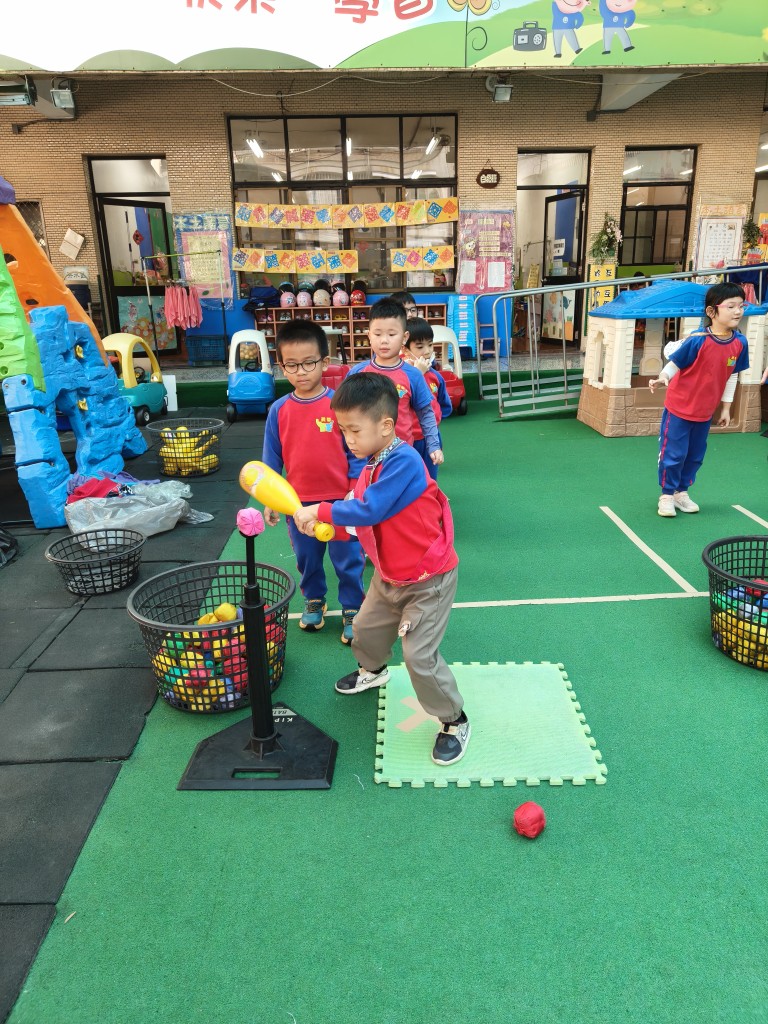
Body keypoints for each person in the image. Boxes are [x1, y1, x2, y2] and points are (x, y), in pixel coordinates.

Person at [293, 373, 470, 767]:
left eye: (354, 430)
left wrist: (320, 509)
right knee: (365, 629)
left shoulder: (404, 461)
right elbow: (359, 521)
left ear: (386, 425)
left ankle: (454, 719)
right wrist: (324, 525)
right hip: (389, 576)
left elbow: (370, 509)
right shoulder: (371, 465)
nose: (348, 439)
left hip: (428, 581)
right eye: (343, 430)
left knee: (419, 656)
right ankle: (372, 671)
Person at [262, 320, 366, 641]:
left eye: (309, 362)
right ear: (282, 367)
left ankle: (353, 607)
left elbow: (356, 451)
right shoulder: (278, 410)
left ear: (324, 361)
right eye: (292, 365)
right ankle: (314, 598)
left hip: (340, 504)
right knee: (307, 557)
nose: (301, 371)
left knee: (348, 558)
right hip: (298, 504)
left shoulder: (339, 405)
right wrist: (270, 499)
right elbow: (271, 459)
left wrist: (354, 490)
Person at [649, 282, 750, 518]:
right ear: (711, 311)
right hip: (679, 408)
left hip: (705, 412)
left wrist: (726, 408)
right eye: (731, 306)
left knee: (694, 455)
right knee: (674, 454)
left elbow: (732, 375)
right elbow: (675, 363)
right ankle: (667, 495)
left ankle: (681, 492)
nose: (737, 311)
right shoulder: (698, 340)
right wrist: (663, 377)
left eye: (741, 306)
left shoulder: (740, 343)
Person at [347, 297, 443, 468]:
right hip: (365, 457)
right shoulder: (357, 373)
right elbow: (345, 414)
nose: (384, 340)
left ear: (405, 337)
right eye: (377, 334)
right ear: (369, 336)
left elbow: (426, 413)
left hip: (402, 454)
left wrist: (434, 445)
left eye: (391, 334)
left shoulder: (413, 375)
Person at [401, 317, 452, 480]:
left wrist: (436, 419)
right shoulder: (401, 376)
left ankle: (432, 494)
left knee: (430, 475)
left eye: (430, 344)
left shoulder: (436, 376)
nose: (427, 351)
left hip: (431, 435)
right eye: (420, 346)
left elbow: (444, 404)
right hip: (407, 437)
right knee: (411, 477)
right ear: (405, 349)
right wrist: (418, 374)